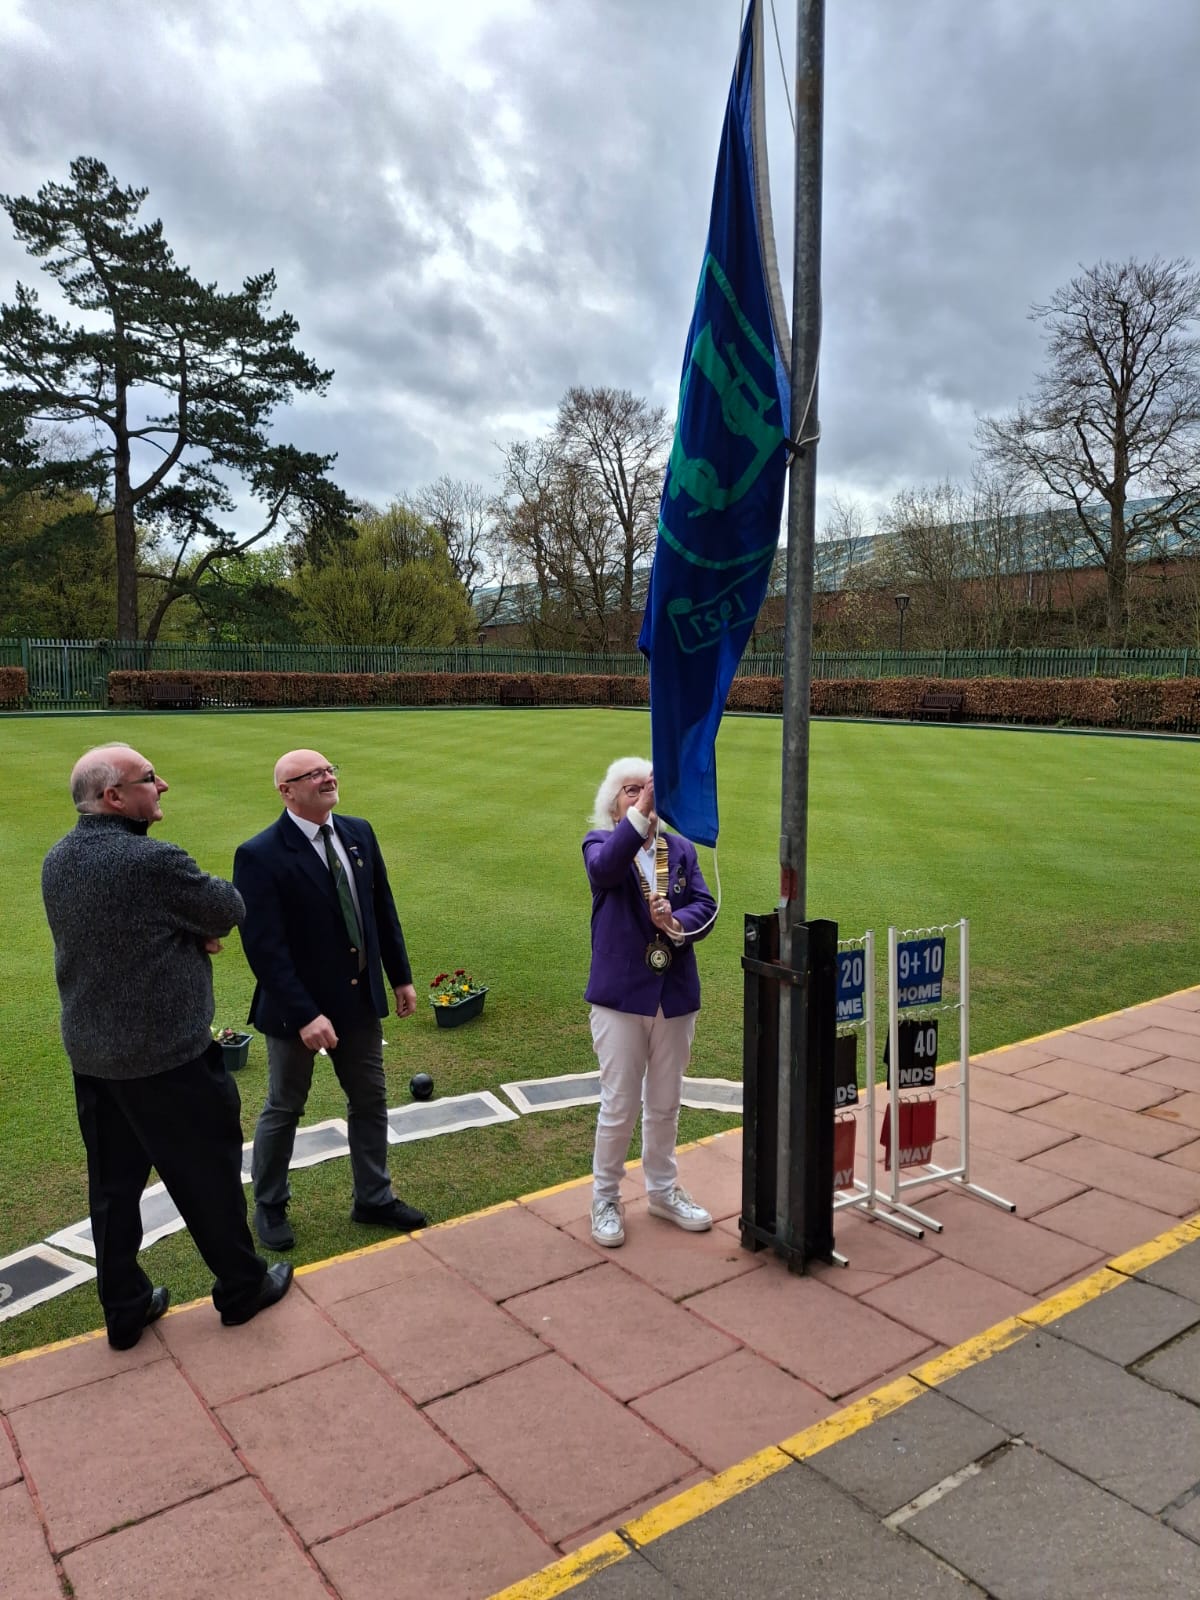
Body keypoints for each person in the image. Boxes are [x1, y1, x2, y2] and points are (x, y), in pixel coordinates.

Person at [41, 744, 293, 1349]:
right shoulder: (150, 862)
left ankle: (124, 1308)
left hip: (95, 1057)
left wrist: (182, 932)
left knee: (113, 1190)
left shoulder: (58, 859)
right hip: (166, 1057)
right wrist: (195, 931)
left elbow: (123, 934)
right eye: (149, 779)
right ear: (113, 798)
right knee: (208, 1176)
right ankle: (242, 1287)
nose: (164, 786)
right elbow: (228, 906)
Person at [233, 749, 426, 1251]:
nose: (327, 778)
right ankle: (270, 1205)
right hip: (296, 1011)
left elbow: (382, 908)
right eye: (313, 774)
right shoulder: (259, 854)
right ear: (286, 791)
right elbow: (265, 949)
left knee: (370, 1098)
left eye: (329, 770)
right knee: (284, 1106)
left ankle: (374, 1197)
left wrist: (400, 977)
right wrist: (304, 1014)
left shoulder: (358, 833)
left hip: (357, 1001)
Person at [583, 757, 718, 1247]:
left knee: (665, 1103)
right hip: (620, 997)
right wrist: (642, 811)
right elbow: (605, 870)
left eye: (647, 789)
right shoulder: (600, 842)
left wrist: (676, 920)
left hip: (674, 993)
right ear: (615, 804)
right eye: (630, 790)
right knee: (619, 1103)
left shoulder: (679, 849)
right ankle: (605, 1197)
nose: (642, 796)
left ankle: (662, 1190)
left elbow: (706, 904)